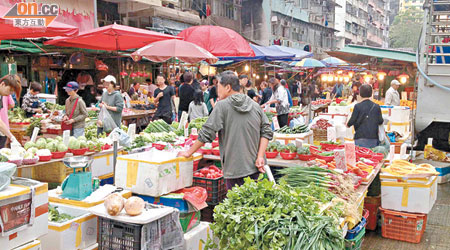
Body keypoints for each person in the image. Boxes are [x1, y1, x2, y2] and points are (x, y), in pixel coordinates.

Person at [178, 70, 273, 190]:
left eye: (219, 86)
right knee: (253, 203)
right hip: (256, 166)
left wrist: (188, 152)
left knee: (236, 204)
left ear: (228, 87)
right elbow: (266, 131)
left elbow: (206, 133)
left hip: (234, 168)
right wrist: (260, 156)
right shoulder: (255, 105)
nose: (217, 90)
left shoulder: (222, 106)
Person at [0, 75, 21, 147]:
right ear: (3, 84)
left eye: (12, 92)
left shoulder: (2, 96)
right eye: (10, 90)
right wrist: (11, 137)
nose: (10, 93)